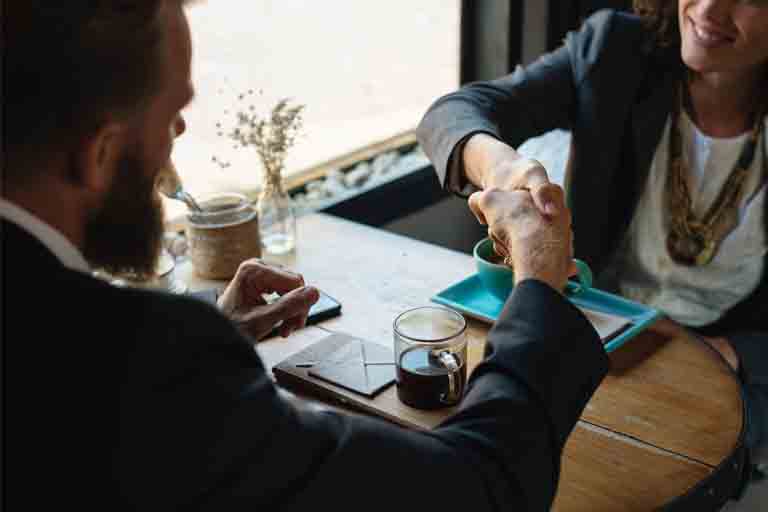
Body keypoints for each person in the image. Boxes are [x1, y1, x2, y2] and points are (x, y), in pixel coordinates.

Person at [3, 1, 608, 509]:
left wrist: (215, 329)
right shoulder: (145, 366)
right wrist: (538, 282)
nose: (175, 141)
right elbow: (472, 489)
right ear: (99, 153)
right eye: (174, 117)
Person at [417, 0, 768, 479]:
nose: (709, 8)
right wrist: (504, 169)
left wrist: (729, 352)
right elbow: (453, 113)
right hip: (597, 340)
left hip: (730, 366)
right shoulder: (617, 49)